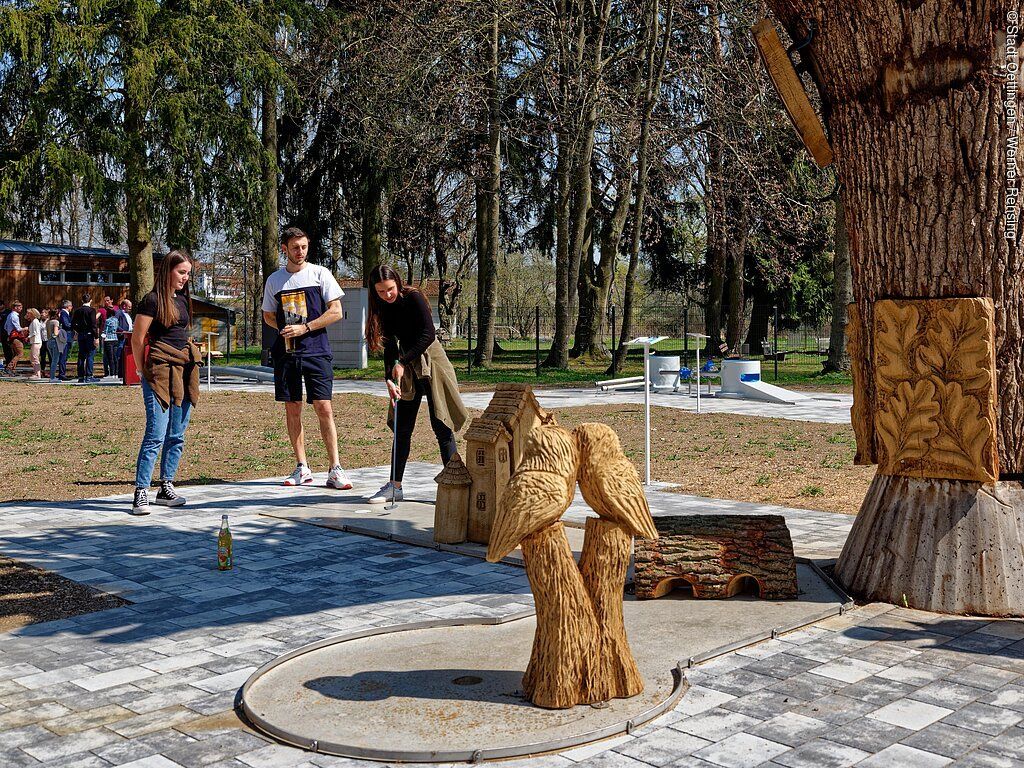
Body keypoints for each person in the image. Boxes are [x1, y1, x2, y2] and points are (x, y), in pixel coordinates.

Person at [364, 264, 468, 503]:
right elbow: (389, 344)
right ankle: (394, 486)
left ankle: (456, 488)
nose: (386, 295)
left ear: (398, 283)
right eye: (380, 291)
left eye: (390, 289)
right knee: (402, 427)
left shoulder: (414, 297)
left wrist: (402, 361)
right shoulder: (381, 306)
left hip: (432, 361)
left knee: (441, 425)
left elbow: (428, 334)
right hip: (407, 365)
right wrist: (389, 379)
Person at [261, 226, 352, 489]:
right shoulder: (275, 280)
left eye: (304, 246)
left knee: (324, 407)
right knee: (293, 409)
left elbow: (335, 311)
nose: (300, 252)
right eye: (295, 247)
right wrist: (283, 328)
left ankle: (335, 468)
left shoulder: (320, 274)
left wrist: (306, 327)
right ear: (284, 249)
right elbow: (268, 314)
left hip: (317, 351)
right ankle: (302, 467)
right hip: (287, 354)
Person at [130, 250, 202, 515]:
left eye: (188, 274)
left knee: (177, 434)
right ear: (168, 271)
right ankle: (141, 492)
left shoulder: (182, 300)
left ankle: (166, 486)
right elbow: (137, 339)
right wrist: (141, 371)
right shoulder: (151, 300)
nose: (185, 278)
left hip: (182, 370)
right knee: (155, 434)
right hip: (158, 371)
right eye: (181, 272)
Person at [71, 293, 98, 383]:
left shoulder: (77, 310)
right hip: (90, 334)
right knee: (90, 355)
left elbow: (73, 324)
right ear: (90, 301)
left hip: (81, 334)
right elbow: (93, 324)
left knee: (81, 356)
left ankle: (81, 376)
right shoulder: (92, 310)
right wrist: (96, 337)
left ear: (82, 301)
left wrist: (78, 331)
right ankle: (89, 376)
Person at [3, 300, 25, 375]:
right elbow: (18, 328)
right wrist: (25, 328)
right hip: (16, 337)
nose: (21, 308)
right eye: (20, 307)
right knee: (20, 354)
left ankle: (12, 370)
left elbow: (5, 327)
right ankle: (9, 367)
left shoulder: (9, 315)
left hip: (10, 337)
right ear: (15, 307)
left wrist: (9, 332)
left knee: (15, 354)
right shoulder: (15, 316)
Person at [115, 298, 133, 378]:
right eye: (129, 307)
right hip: (122, 337)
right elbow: (115, 324)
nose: (130, 308)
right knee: (120, 354)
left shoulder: (127, 314)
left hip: (128, 337)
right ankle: (120, 372)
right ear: (124, 306)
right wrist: (122, 331)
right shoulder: (118, 313)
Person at [101, 302, 120, 379]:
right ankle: (116, 373)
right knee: (115, 356)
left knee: (110, 357)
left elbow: (105, 330)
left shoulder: (107, 320)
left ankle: (111, 373)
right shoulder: (116, 320)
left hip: (108, 339)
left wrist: (103, 335)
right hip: (115, 338)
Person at [45, 308, 63, 382]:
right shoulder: (56, 322)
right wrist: (60, 330)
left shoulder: (48, 321)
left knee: (53, 360)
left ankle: (52, 376)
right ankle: (52, 377)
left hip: (48, 341)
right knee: (55, 360)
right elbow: (55, 333)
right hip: (55, 342)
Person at [57, 300, 73, 380]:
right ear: (68, 306)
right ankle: (62, 374)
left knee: (64, 356)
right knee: (63, 356)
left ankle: (62, 372)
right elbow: (66, 324)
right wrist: (74, 325)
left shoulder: (65, 314)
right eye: (71, 306)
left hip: (67, 337)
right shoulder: (63, 313)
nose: (71, 308)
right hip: (65, 337)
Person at [26, 308, 43, 380]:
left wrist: (28, 337)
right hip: (34, 342)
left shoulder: (35, 321)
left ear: (32, 314)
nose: (27, 314)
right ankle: (36, 373)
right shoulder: (33, 321)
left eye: (28, 313)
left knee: (35, 358)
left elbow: (35, 332)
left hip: (36, 342)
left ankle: (37, 375)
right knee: (32, 358)